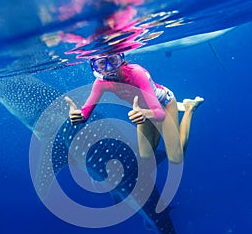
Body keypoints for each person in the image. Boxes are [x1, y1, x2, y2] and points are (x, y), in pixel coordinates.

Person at [65, 53, 204, 164]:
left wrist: (145, 113)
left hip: (163, 103)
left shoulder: (136, 72)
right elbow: (85, 113)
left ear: (121, 59)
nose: (109, 68)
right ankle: (177, 108)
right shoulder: (100, 84)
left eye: (113, 60)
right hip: (144, 111)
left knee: (175, 158)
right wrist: (78, 116)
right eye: (101, 63)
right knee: (146, 155)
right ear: (95, 68)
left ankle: (188, 108)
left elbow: (160, 114)